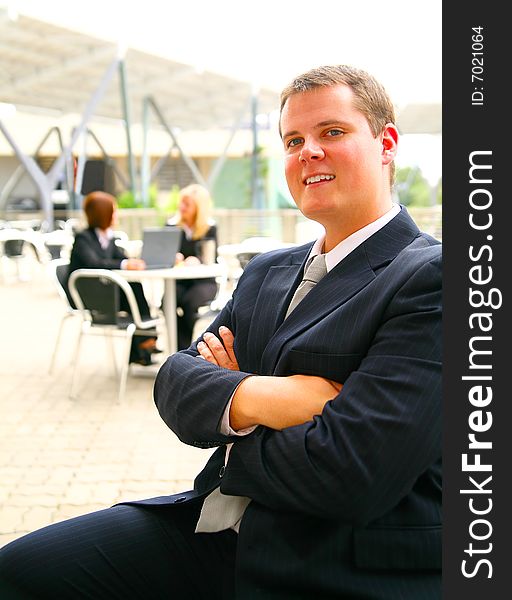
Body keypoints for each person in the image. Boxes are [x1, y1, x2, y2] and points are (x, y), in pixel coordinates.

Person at [0, 65, 442, 599]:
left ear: (386, 143)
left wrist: (230, 417)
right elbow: (175, 382)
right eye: (293, 140)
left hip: (331, 562)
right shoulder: (266, 271)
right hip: (211, 531)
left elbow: (353, 473)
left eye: (332, 132)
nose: (308, 151)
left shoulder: (430, 278)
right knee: (20, 572)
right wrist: (269, 396)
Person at [66, 190, 160, 366]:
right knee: (134, 290)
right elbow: (94, 263)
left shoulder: (108, 238)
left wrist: (130, 261)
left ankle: (143, 346)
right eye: (114, 211)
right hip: (89, 296)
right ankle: (147, 338)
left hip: (105, 292)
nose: (116, 215)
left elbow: (120, 256)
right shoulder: (83, 239)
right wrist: (125, 265)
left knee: (134, 288)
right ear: (103, 214)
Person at [167, 184, 218, 349]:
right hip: (178, 281)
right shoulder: (171, 227)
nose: (182, 208)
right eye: (181, 203)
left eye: (187, 204)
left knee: (190, 303)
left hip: (203, 282)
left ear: (199, 208)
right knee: (168, 302)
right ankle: (179, 349)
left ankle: (188, 349)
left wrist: (198, 260)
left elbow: (211, 257)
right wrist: (173, 258)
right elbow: (164, 254)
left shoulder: (209, 228)